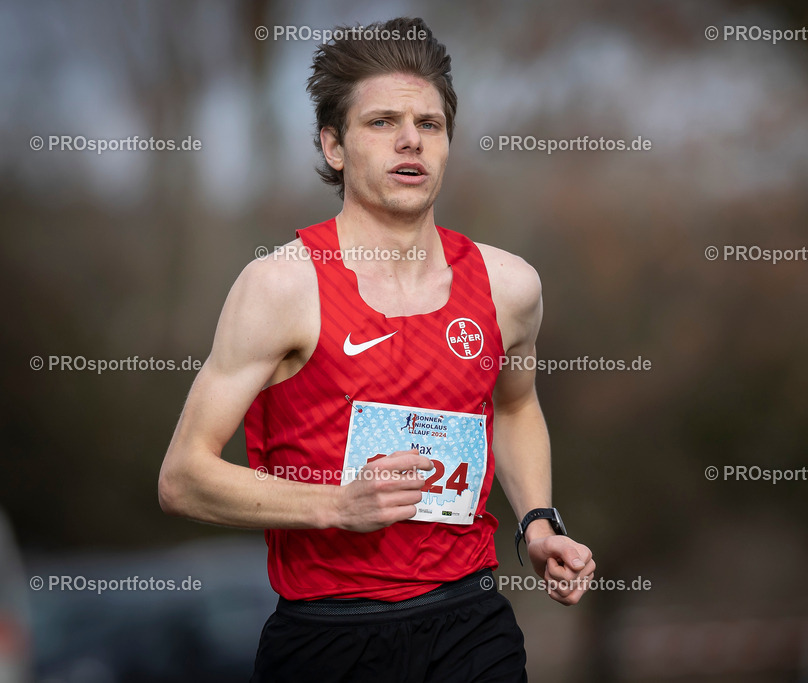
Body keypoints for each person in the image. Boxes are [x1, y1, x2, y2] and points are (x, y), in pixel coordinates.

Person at [158, 16, 595, 681]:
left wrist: (537, 520)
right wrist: (333, 504)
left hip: (470, 619)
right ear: (334, 146)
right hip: (329, 635)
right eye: (382, 122)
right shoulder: (280, 286)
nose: (410, 140)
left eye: (429, 124)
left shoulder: (509, 286)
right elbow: (182, 476)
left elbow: (513, 407)